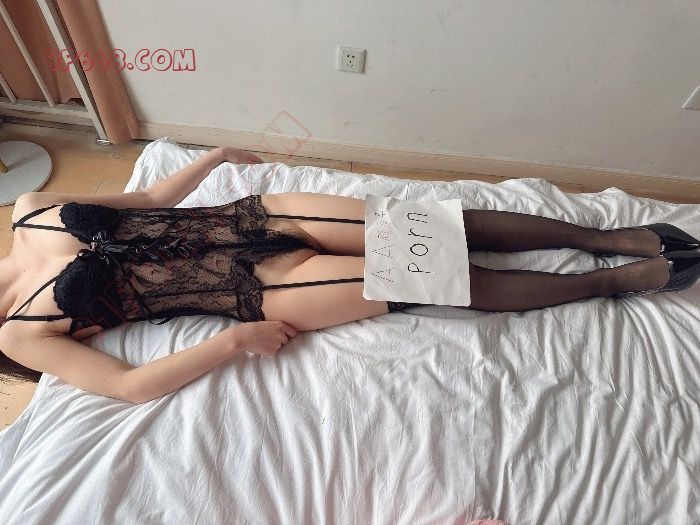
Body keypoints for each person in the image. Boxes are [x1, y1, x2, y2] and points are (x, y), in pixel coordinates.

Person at [1, 146, 699, 404]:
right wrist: (231, 343)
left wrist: (210, 160)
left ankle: (601, 238)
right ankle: (613, 281)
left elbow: (150, 200)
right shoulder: (20, 336)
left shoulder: (29, 207)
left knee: (438, 227)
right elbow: (126, 386)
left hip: (250, 215)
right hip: (255, 288)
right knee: (438, 277)